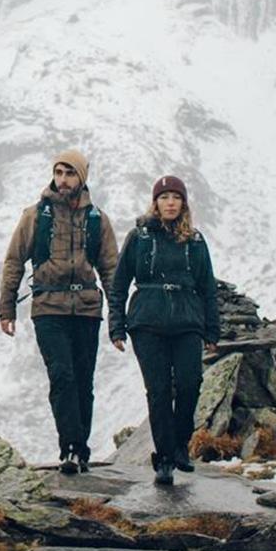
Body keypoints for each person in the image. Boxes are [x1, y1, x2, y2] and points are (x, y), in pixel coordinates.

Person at [0, 149, 118, 474]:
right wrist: (6, 306)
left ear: (82, 178)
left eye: (70, 173)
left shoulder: (98, 220)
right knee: (62, 376)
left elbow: (111, 270)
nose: (63, 180)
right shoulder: (36, 216)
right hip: (48, 307)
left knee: (83, 380)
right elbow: (14, 260)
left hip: (88, 310)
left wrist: (118, 318)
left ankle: (80, 449)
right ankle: (70, 448)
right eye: (59, 173)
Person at [109, 175, 219, 485]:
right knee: (157, 390)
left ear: (184, 203)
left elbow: (208, 288)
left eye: (176, 197)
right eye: (164, 197)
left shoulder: (195, 242)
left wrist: (212, 330)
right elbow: (119, 284)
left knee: (189, 383)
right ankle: (165, 459)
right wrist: (116, 325)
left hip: (187, 321)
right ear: (155, 202)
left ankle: (180, 445)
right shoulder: (139, 237)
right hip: (147, 322)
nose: (170, 202)